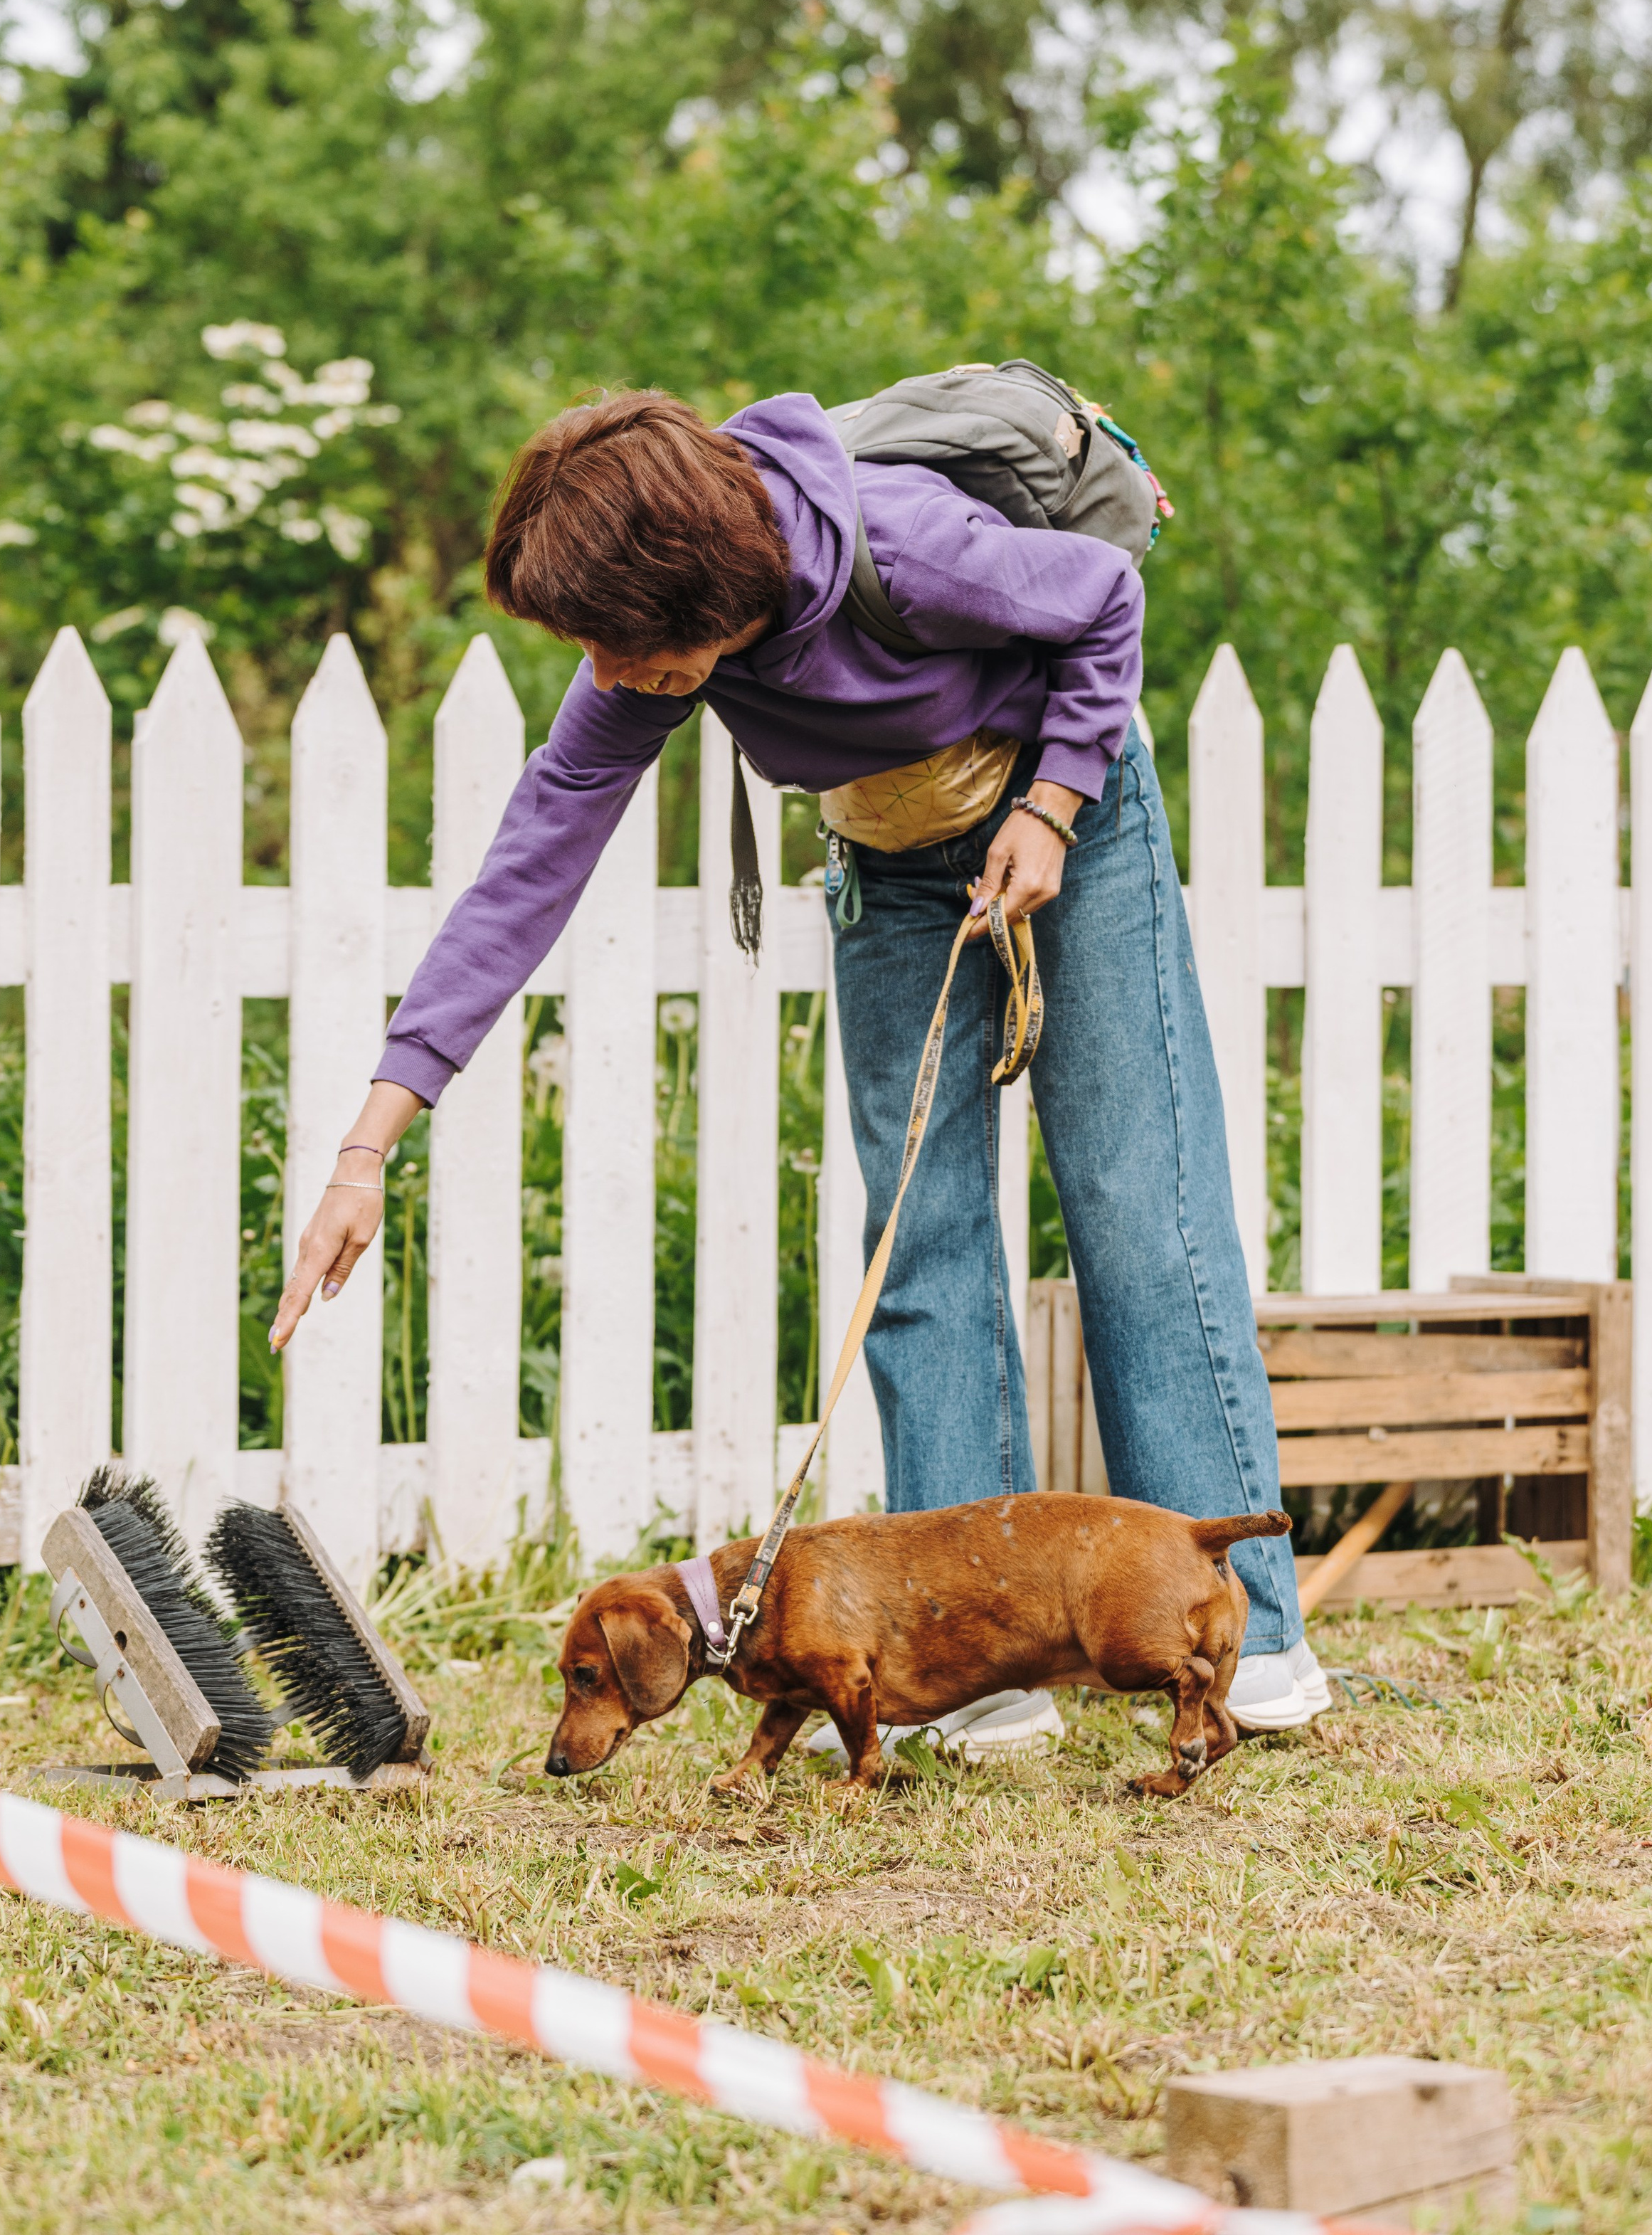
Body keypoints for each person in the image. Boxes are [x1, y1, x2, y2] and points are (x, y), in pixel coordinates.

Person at [270, 387, 1325, 1737]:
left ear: (702, 585)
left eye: (613, 632)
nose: (600, 665)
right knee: (919, 1244)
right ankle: (972, 1675)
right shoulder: (651, 659)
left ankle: (1255, 1644)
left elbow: (1104, 598)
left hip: (1078, 816)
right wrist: (368, 1146)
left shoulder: (905, 545)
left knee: (1137, 1212)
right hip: (890, 861)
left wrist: (1056, 803)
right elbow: (520, 879)